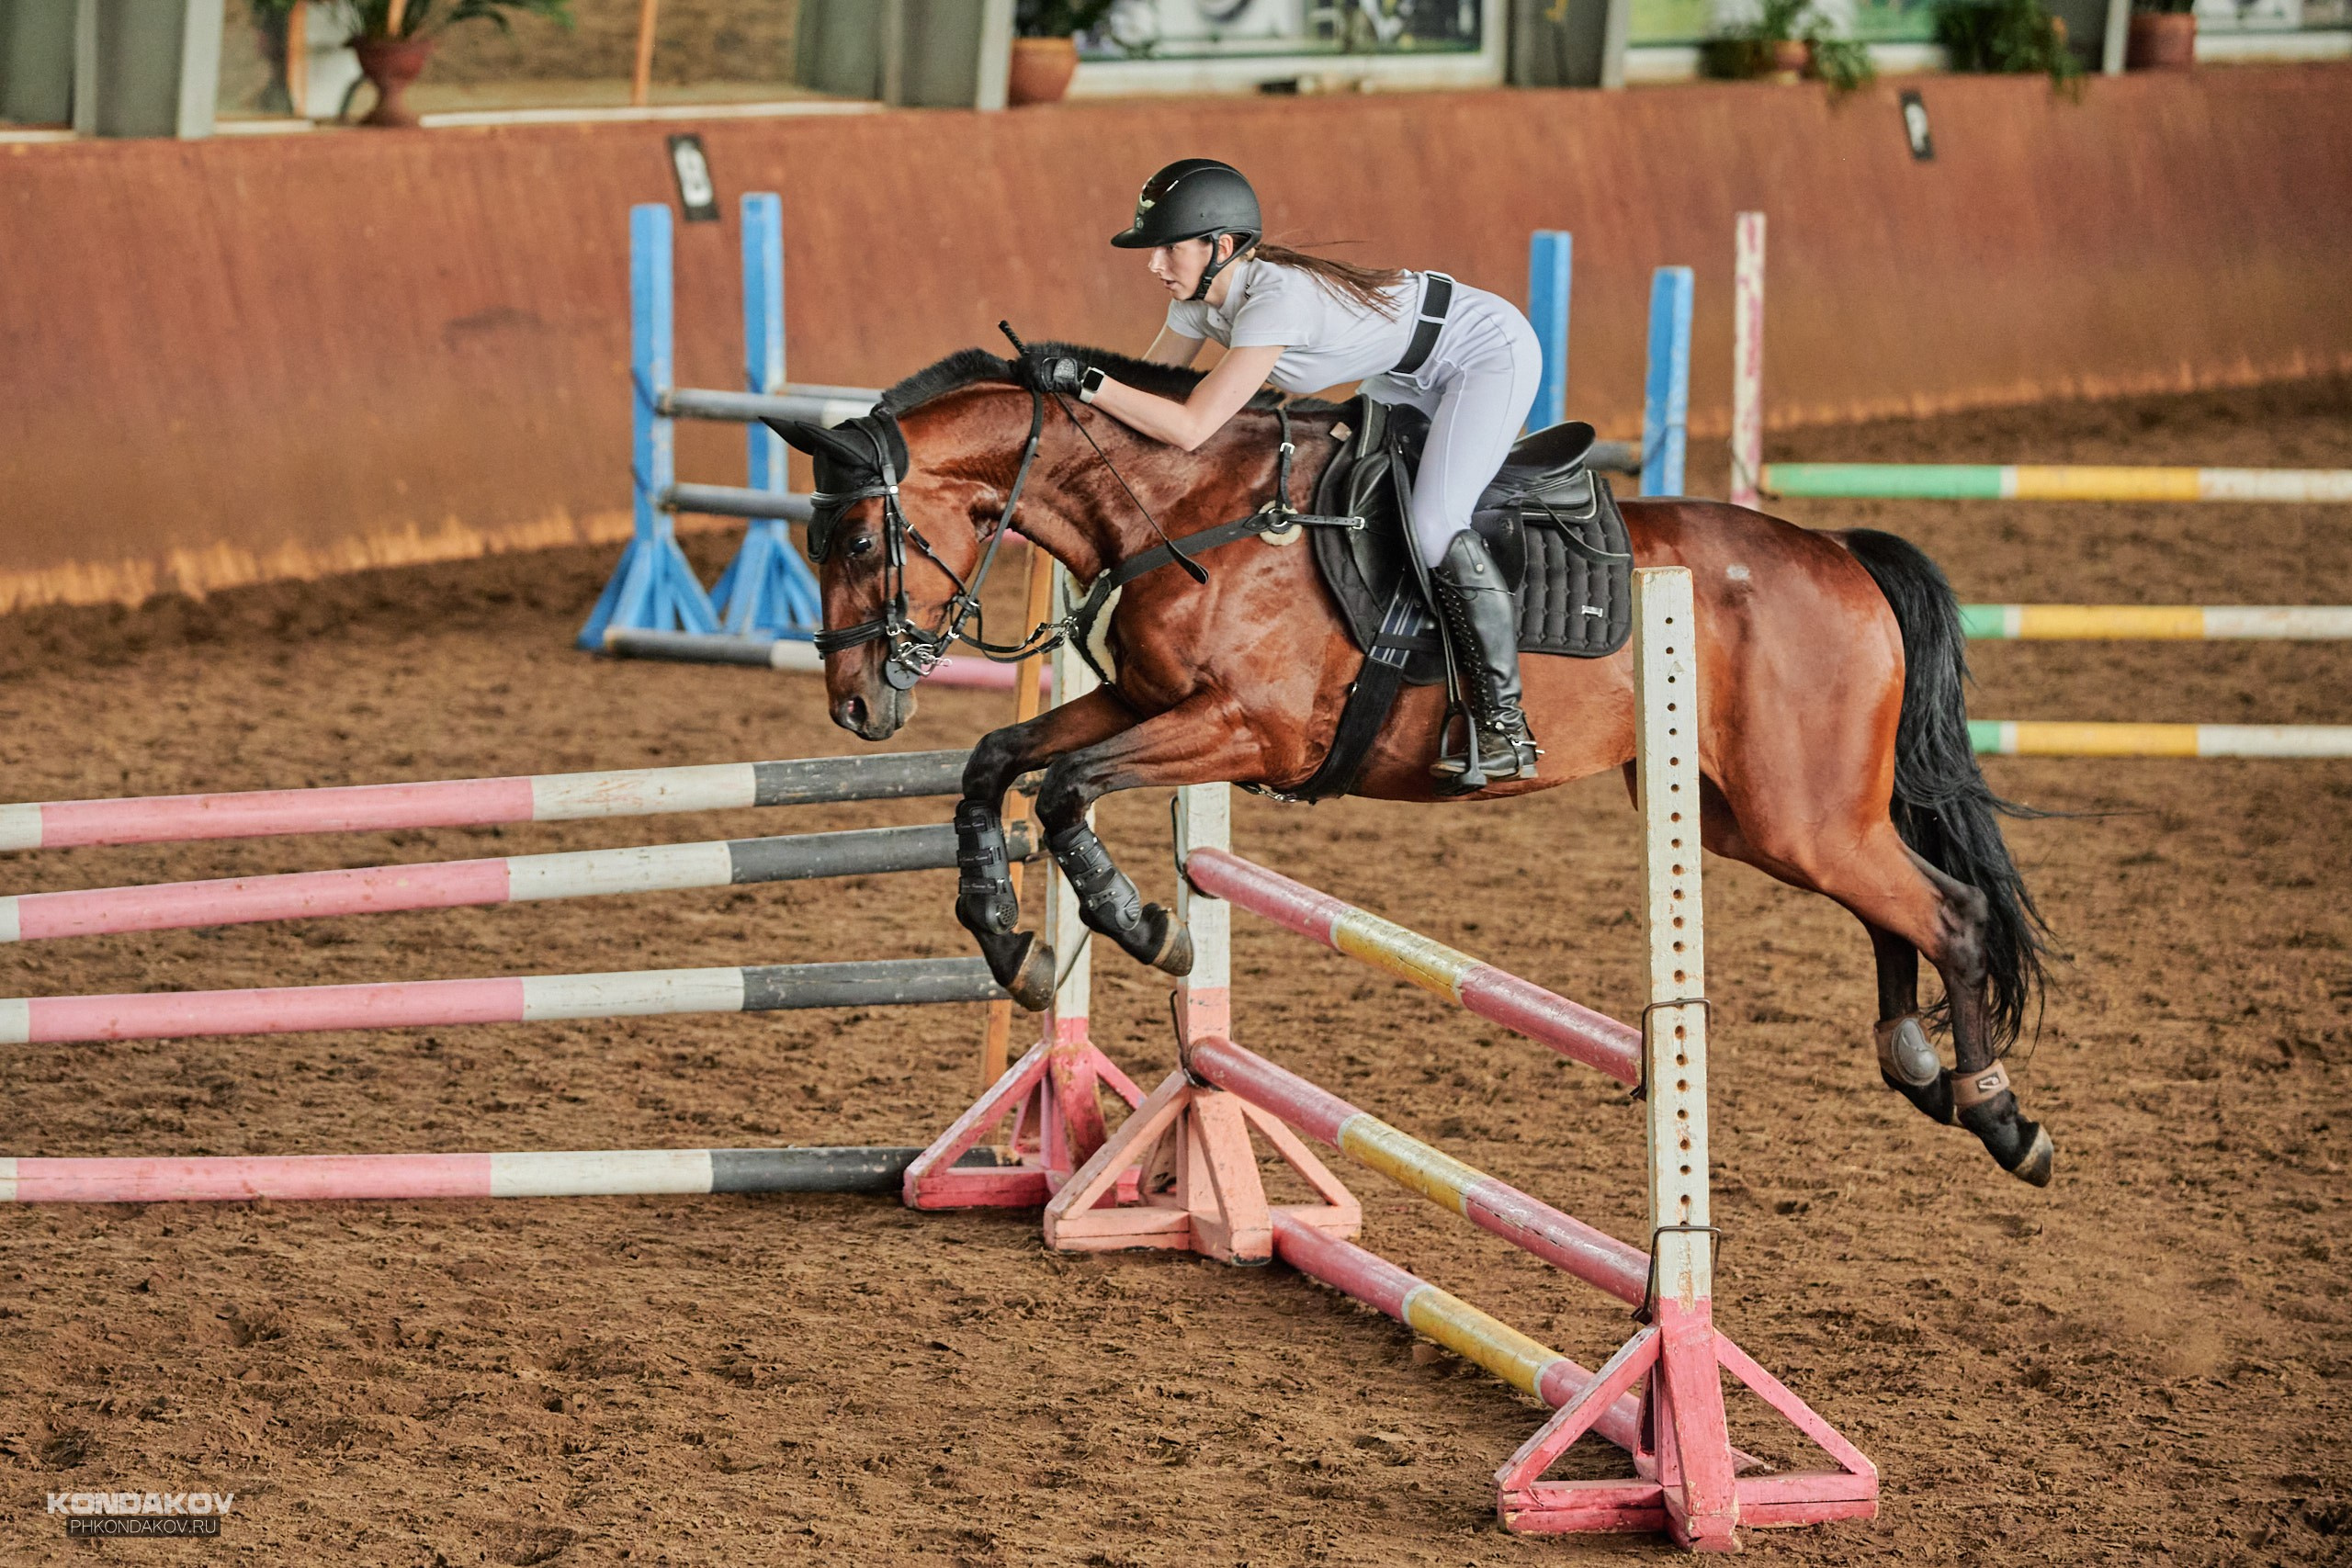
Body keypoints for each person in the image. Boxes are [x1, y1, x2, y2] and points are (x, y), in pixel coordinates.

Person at [1021, 158, 1544, 790]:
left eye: (1168, 250)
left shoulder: (1275, 300)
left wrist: (1091, 383)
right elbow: (1144, 391)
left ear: (1221, 246)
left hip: (1482, 354)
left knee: (1434, 523)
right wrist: (1065, 392)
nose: (1155, 265)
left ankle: (1505, 723)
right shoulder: (1201, 302)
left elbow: (1190, 426)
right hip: (1406, 371)